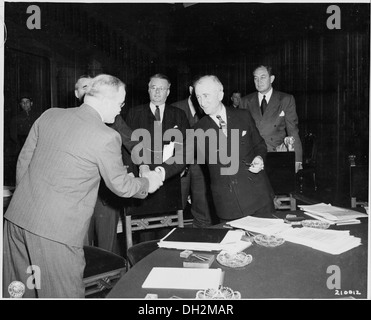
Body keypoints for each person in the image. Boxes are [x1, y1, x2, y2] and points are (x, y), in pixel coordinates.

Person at [3, 74, 164, 298]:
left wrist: (29, 201)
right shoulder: (106, 136)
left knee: (21, 293)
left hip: (16, 221)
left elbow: (24, 162)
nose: (120, 110)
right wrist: (149, 182)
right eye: (120, 103)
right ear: (106, 100)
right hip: (56, 235)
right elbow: (121, 186)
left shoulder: (50, 115)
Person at [192, 75, 275, 222]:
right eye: (198, 97)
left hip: (259, 198)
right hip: (228, 206)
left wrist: (260, 157)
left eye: (206, 96)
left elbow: (259, 144)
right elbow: (178, 157)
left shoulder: (243, 116)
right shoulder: (198, 129)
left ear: (220, 95)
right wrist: (158, 173)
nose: (202, 103)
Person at [124, 73, 189, 217]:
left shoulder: (179, 114)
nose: (158, 92)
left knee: (169, 224)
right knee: (144, 224)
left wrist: (183, 167)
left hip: (170, 177)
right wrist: (129, 171)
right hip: (142, 176)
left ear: (168, 91)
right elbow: (126, 146)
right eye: (154, 88)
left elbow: (186, 146)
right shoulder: (135, 113)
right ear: (148, 90)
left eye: (162, 88)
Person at [240, 65, 303, 173]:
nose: (259, 81)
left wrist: (297, 160)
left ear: (272, 79)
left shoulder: (286, 99)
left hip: (276, 156)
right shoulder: (245, 101)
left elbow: (293, 131)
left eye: (263, 77)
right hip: (253, 158)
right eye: (256, 78)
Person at [172, 84, 216, 227]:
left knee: (203, 209)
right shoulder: (175, 108)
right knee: (176, 206)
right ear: (191, 90)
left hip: (202, 165)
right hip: (180, 165)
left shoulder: (210, 108)